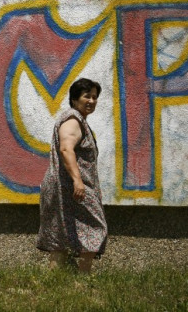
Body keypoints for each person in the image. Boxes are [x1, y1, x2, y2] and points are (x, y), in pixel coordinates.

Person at [36, 77, 107, 273]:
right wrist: (78, 181)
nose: (92, 101)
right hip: (70, 185)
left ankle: (55, 277)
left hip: (63, 185)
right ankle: (83, 275)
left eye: (94, 97)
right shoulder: (73, 121)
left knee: (61, 231)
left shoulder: (77, 120)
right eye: (87, 96)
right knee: (95, 227)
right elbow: (66, 149)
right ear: (75, 99)